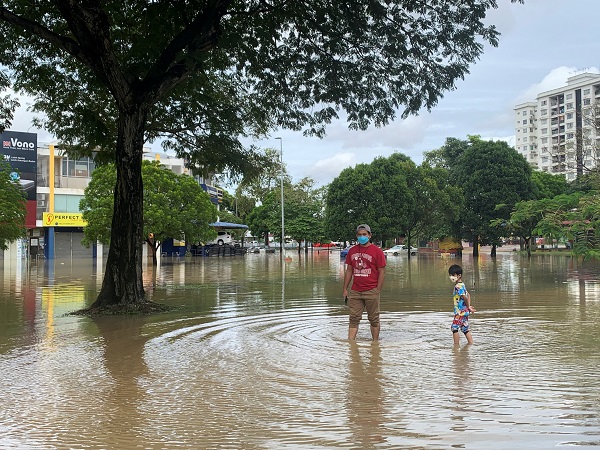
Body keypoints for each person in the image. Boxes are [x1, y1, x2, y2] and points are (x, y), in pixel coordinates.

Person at [343, 224, 386, 340]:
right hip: (356, 291)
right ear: (356, 236)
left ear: (369, 235)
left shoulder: (377, 252)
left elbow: (382, 272)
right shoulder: (352, 251)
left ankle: (375, 344)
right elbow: (349, 271)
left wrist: (378, 290)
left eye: (364, 234)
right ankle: (351, 344)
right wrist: (345, 289)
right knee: (353, 318)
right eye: (359, 235)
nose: (362, 237)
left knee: (374, 319)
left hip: (372, 290)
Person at [448, 264, 476, 345]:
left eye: (453, 275)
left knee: (454, 328)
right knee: (465, 329)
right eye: (450, 275)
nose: (451, 277)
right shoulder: (462, 285)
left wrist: (468, 307)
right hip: (464, 312)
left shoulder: (458, 286)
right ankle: (470, 344)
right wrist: (468, 307)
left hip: (459, 312)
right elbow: (468, 295)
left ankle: (456, 347)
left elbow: (465, 297)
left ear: (459, 275)